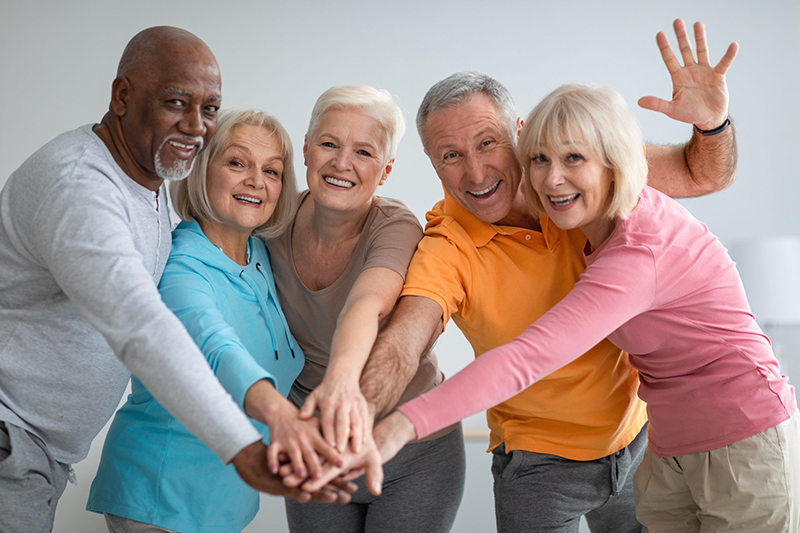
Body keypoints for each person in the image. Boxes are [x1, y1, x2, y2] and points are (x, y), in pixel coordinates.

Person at [299, 19, 741, 533]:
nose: (476, 172)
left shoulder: (580, 170)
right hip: (539, 466)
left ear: (522, 132)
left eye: (487, 143)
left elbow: (705, 172)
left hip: (640, 439)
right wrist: (355, 411)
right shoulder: (447, 243)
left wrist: (712, 126)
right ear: (432, 165)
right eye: (451, 156)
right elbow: (403, 341)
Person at [378, 82, 798, 532]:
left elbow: (528, 357)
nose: (554, 178)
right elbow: (408, 331)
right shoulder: (567, 218)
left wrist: (404, 424)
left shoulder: (635, 249)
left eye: (573, 159)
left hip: (735, 437)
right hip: (663, 444)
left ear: (614, 163)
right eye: (541, 160)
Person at [0, 27, 340, 533]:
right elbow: (143, 329)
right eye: (176, 102)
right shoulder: (80, 188)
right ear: (122, 97)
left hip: (41, 454)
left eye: (209, 109)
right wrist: (246, 447)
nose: (195, 126)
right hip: (14, 436)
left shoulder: (147, 185)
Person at [86, 108, 347, 533]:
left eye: (272, 171)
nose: (257, 181)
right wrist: (282, 416)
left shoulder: (262, 255)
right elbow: (216, 346)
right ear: (203, 169)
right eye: (237, 163)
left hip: (225, 498)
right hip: (163, 492)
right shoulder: (179, 265)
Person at [266, 84, 465, 533]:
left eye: (364, 152)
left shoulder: (396, 225)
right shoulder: (271, 221)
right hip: (318, 441)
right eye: (329, 144)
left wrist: (340, 384)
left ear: (386, 169)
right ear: (306, 150)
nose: (342, 163)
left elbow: (366, 304)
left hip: (414, 450)